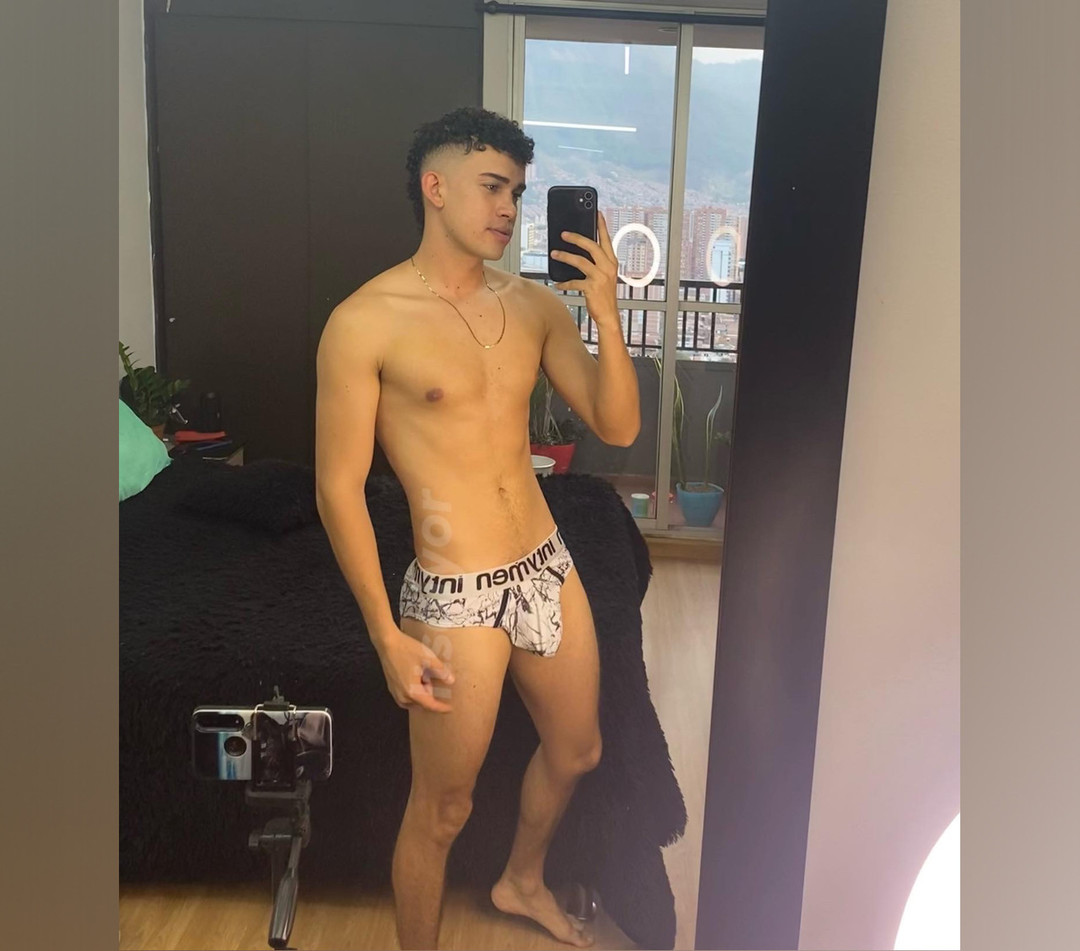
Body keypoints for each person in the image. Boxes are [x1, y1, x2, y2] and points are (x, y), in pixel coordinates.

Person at [314, 105, 641, 950]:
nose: (508, 207)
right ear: (435, 187)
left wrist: (606, 312)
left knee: (578, 750)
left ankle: (520, 878)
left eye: (518, 193)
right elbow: (338, 488)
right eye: (493, 186)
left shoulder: (533, 307)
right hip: (453, 592)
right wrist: (385, 633)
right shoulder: (364, 320)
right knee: (442, 808)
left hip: (544, 564)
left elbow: (618, 426)